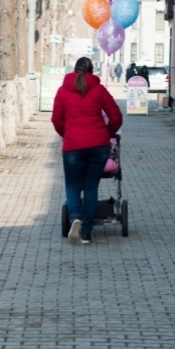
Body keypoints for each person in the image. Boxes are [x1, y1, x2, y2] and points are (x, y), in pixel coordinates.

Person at [52, 57, 123, 245]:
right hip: (98, 145)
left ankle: (75, 217)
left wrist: (67, 134)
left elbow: (56, 119)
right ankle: (86, 233)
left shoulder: (63, 91)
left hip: (73, 145)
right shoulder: (99, 89)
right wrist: (106, 133)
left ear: (74, 69)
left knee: (73, 184)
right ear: (92, 70)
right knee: (91, 186)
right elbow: (116, 116)